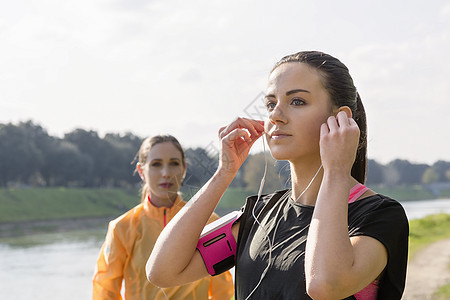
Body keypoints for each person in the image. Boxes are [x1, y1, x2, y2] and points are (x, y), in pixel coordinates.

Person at [146, 51, 409, 299]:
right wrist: (224, 172)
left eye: (297, 101)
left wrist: (337, 171)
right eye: (271, 103)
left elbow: (325, 284)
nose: (276, 116)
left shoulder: (379, 216)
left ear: (339, 119)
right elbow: (162, 271)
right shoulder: (258, 215)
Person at [92, 135, 234, 299]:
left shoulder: (209, 222)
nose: (166, 173)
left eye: (174, 163)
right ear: (141, 171)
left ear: (184, 169)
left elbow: (223, 289)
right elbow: (105, 290)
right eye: (156, 164)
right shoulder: (121, 228)